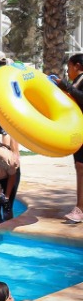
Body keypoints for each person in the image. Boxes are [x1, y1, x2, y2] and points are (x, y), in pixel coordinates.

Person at [56, 53, 83, 223]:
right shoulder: (77, 82)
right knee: (80, 167)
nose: (68, 71)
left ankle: (80, 210)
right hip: (78, 130)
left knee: (81, 168)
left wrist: (66, 86)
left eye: (69, 67)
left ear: (77, 66)